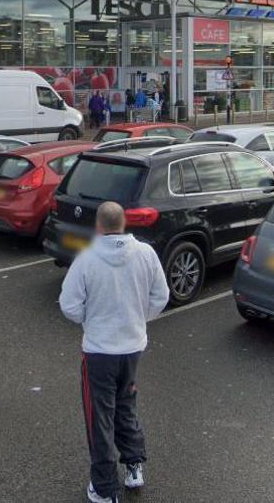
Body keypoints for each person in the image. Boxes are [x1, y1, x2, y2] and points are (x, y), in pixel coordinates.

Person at [59, 201, 169, 503]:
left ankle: (105, 489)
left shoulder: (86, 259)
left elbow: (69, 305)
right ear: (123, 224)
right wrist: (138, 320)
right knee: (126, 406)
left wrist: (91, 321)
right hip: (132, 349)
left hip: (99, 353)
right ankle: (134, 468)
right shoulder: (145, 254)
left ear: (98, 225)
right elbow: (161, 295)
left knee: (100, 419)